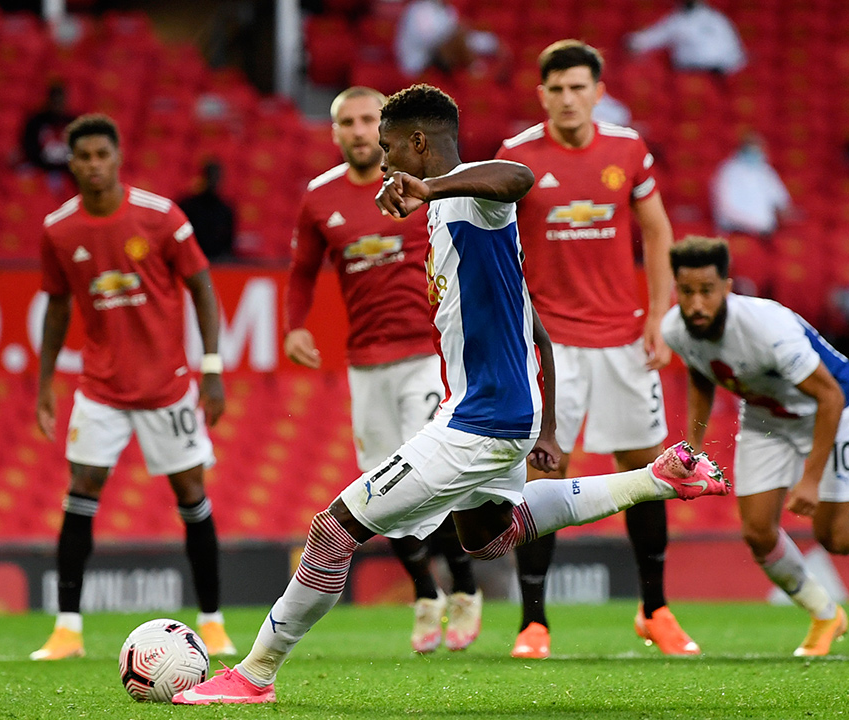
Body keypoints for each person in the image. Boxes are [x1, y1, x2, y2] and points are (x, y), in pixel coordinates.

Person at [173, 84, 729, 705]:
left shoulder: (468, 198)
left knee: (333, 529)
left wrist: (433, 187)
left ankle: (254, 675)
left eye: (389, 149)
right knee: (487, 535)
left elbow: (518, 176)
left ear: (417, 143)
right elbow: (535, 327)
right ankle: (657, 478)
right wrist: (543, 424)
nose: (383, 164)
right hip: (498, 413)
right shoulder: (444, 210)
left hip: (482, 421)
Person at [496, 40, 691, 658]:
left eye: (579, 87)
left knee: (649, 470)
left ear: (598, 91)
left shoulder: (628, 149)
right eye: (556, 89)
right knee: (543, 474)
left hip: (623, 339)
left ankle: (655, 609)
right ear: (542, 95)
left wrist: (658, 315)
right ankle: (534, 622)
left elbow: (658, 229)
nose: (568, 98)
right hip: (551, 345)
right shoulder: (517, 156)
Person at [285, 86, 482, 654]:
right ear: (334, 132)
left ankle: (465, 587)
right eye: (346, 121)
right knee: (380, 484)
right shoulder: (319, 198)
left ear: (385, 125)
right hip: (366, 363)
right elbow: (301, 271)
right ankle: (426, 593)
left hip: (427, 354)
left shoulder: (420, 185)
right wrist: (295, 324)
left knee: (430, 472)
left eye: (368, 118)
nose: (358, 129)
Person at [31, 114, 235, 660]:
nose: (94, 165)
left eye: (102, 154)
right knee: (83, 486)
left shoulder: (161, 216)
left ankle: (212, 621)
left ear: (118, 157)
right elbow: (56, 305)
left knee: (190, 491)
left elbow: (203, 287)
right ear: (71, 163)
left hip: (167, 386)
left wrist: (210, 366)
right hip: (100, 387)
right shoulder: (60, 229)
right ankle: (67, 630)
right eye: (83, 157)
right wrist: (46, 379)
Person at [663, 235, 849, 656]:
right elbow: (701, 374)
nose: (696, 304)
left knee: (834, 537)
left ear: (727, 288)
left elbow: (830, 397)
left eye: (707, 292)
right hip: (767, 418)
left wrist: (810, 479)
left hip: (832, 411)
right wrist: (690, 447)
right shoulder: (675, 328)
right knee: (757, 532)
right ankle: (825, 614)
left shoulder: (768, 331)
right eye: (687, 291)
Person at [626, 1, 746, 75]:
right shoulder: (677, 20)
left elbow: (735, 52)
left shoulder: (717, 19)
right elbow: (649, 39)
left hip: (717, 73)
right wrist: (634, 42)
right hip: (687, 72)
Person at [711, 131, 791, 239]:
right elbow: (725, 209)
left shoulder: (765, 171)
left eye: (759, 148)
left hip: (765, 232)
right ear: (742, 149)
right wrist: (754, 224)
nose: (756, 152)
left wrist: (781, 213)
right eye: (752, 149)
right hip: (735, 231)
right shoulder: (727, 171)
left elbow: (781, 200)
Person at [395, 0, 499, 77]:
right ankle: (474, 68)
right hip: (418, 67)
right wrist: (459, 31)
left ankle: (475, 69)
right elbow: (437, 41)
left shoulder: (447, 9)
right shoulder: (420, 9)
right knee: (456, 40)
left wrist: (492, 43)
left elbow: (465, 38)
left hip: (440, 63)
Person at [20, 82, 77, 188]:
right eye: (55, 101)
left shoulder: (74, 123)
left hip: (67, 170)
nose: (58, 105)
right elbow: (30, 149)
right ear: (49, 101)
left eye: (60, 101)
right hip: (40, 167)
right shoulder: (35, 122)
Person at [178, 160, 236, 261]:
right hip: (191, 260)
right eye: (210, 176)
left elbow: (228, 243)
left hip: (217, 263)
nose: (213, 181)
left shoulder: (225, 209)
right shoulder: (188, 206)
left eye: (216, 177)